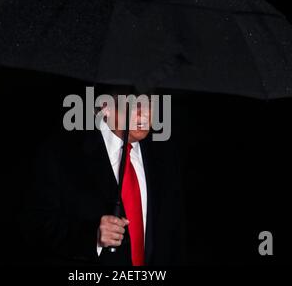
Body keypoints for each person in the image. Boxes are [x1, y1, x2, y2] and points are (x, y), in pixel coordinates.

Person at [21, 85, 187, 265]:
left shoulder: (165, 156)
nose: (145, 113)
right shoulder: (62, 154)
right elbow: (36, 226)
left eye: (149, 103)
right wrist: (93, 237)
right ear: (105, 107)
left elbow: (174, 233)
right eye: (134, 103)